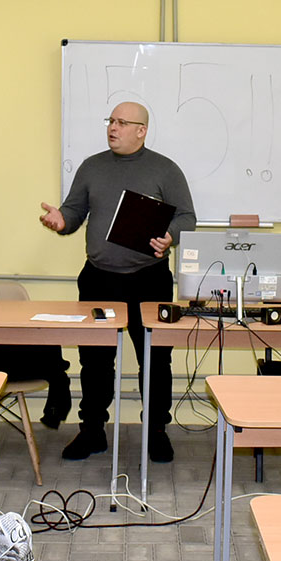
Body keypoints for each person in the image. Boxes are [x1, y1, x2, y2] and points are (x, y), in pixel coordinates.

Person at [39, 100, 195, 462]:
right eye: (111, 120)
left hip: (149, 280)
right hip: (99, 279)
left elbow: (187, 217)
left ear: (141, 131)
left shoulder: (165, 169)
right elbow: (74, 211)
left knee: (155, 360)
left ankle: (156, 432)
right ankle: (92, 431)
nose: (113, 127)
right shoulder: (92, 167)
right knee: (94, 361)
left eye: (122, 122)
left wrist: (170, 236)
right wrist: (62, 221)